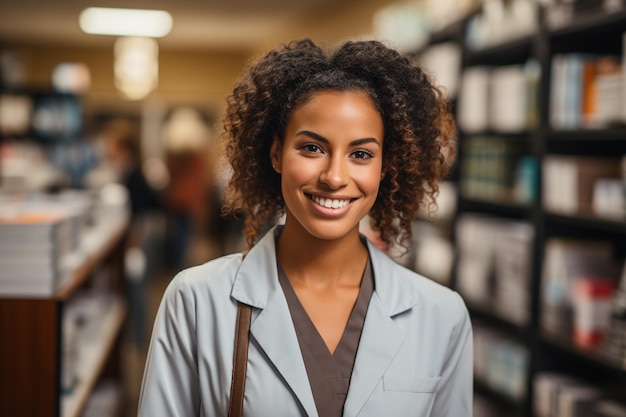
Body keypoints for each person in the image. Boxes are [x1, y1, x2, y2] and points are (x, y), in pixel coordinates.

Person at [138, 39, 472, 417]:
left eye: (361, 154)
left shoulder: (441, 316)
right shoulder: (196, 301)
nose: (334, 177)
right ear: (276, 153)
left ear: (386, 166)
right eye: (312, 148)